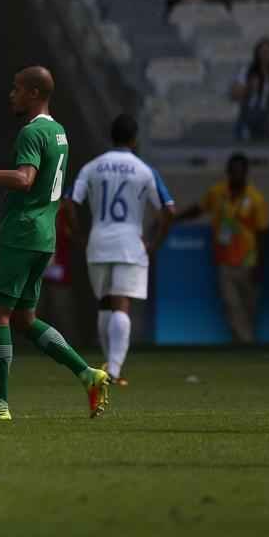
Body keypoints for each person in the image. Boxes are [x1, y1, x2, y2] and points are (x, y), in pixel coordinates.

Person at [0, 66, 110, 422]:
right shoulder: (59, 131)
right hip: (44, 235)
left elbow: (24, 179)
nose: (11, 95)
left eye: (16, 89)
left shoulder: (32, 132)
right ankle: (88, 375)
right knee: (26, 319)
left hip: (20, 233)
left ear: (33, 93)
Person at [63, 114, 174, 386]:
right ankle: (113, 370)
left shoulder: (93, 167)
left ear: (110, 137)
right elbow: (168, 210)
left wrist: (77, 234)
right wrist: (156, 241)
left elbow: (68, 204)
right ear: (135, 140)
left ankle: (107, 366)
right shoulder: (144, 170)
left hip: (99, 241)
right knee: (121, 303)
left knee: (104, 303)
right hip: (129, 243)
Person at [175, 153, 269, 343]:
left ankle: (248, 342)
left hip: (248, 262)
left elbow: (262, 234)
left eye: (240, 172)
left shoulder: (256, 199)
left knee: (249, 307)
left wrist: (260, 263)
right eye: (233, 172)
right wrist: (174, 218)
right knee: (231, 305)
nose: (236, 176)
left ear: (246, 173)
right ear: (227, 173)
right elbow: (199, 209)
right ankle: (244, 343)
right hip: (225, 261)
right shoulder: (217, 193)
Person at [231, 38, 269, 141]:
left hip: (266, 118)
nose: (265, 55)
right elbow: (235, 95)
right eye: (263, 52)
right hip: (248, 114)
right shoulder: (247, 71)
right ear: (257, 54)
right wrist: (249, 87)